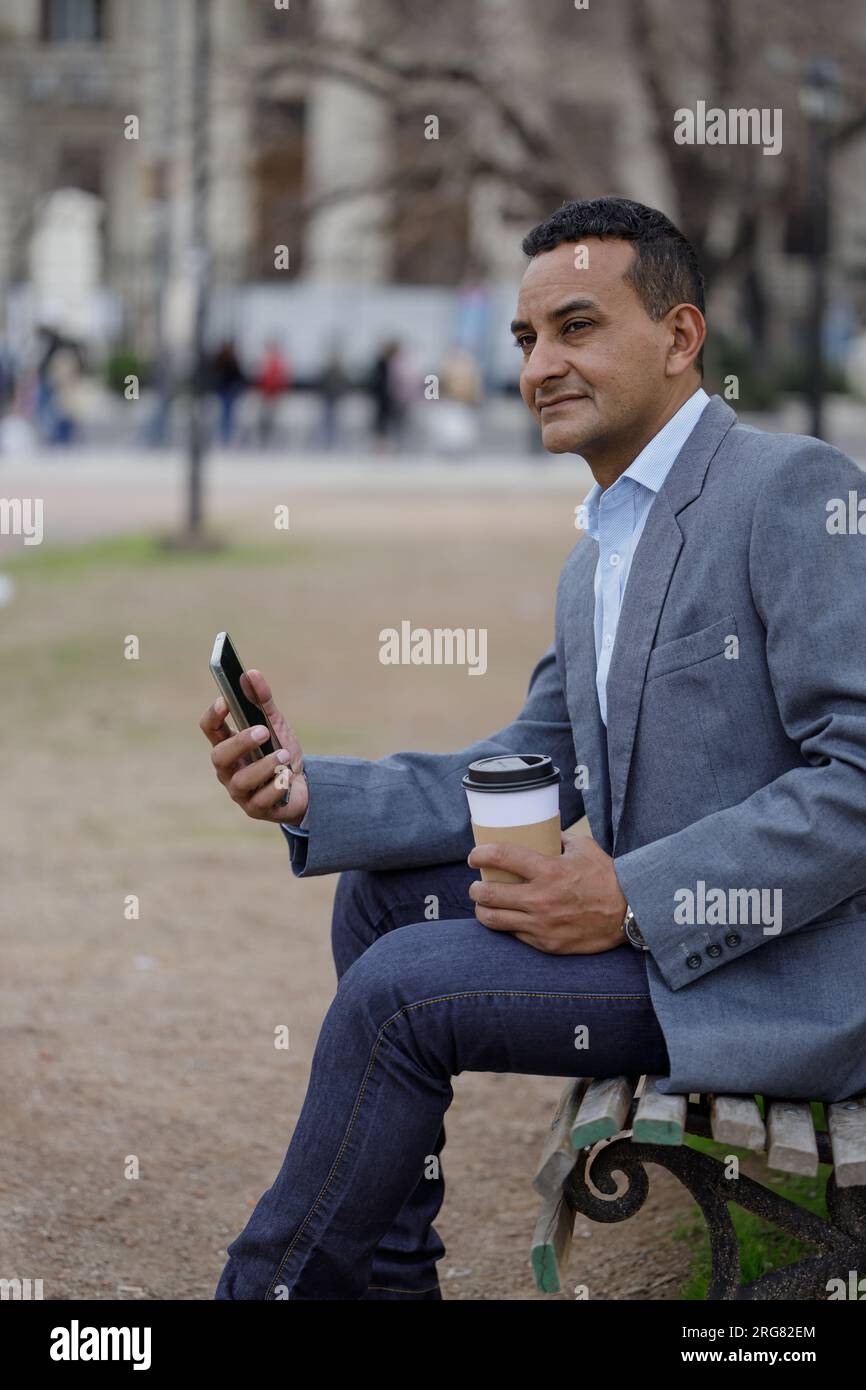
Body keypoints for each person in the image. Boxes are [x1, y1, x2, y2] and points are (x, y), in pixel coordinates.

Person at [200, 195, 866, 1300]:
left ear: (679, 336)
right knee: (376, 904)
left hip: (779, 974)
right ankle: (391, 1277)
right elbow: (531, 763)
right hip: (659, 952)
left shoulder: (788, 491)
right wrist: (312, 789)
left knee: (401, 992)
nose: (539, 365)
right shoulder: (594, 552)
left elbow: (855, 777)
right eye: (524, 339)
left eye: (576, 327)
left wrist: (633, 897)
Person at [256, 339, 291, 446]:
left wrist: (282, 389)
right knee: (263, 417)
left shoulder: (278, 363)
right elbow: (261, 378)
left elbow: (283, 379)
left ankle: (269, 438)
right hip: (266, 394)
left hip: (274, 394)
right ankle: (263, 437)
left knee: (272, 417)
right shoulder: (266, 362)